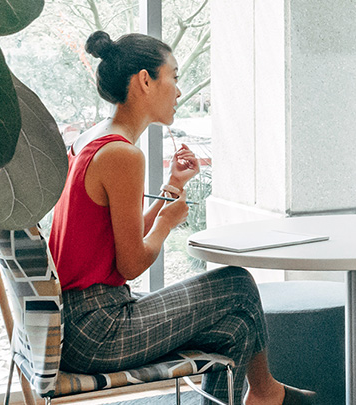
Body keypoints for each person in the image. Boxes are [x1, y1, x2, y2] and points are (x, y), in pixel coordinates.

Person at [48, 31, 316, 405]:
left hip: (79, 324)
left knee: (236, 326)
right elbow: (130, 262)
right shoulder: (122, 155)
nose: (178, 90)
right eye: (173, 76)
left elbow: (111, 241)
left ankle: (262, 394)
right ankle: (268, 393)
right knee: (238, 282)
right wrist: (166, 224)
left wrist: (170, 189)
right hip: (99, 331)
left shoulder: (96, 140)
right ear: (145, 80)